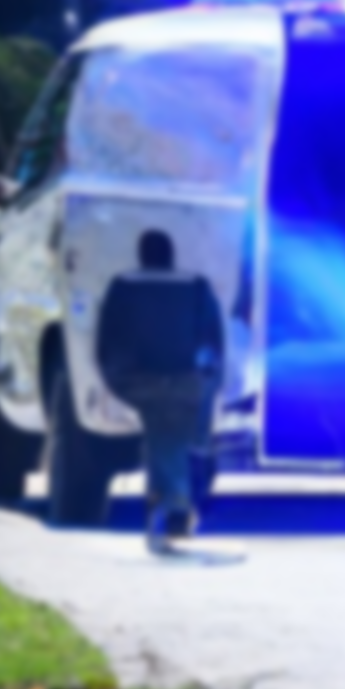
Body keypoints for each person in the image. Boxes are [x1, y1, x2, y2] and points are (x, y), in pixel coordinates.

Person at [96, 230, 224, 555]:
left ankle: (164, 508)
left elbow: (106, 337)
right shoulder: (197, 286)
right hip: (186, 381)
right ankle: (174, 509)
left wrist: (112, 377)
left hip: (136, 380)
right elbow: (214, 340)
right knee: (175, 442)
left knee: (161, 439)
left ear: (141, 256)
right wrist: (210, 381)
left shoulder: (122, 285)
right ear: (172, 255)